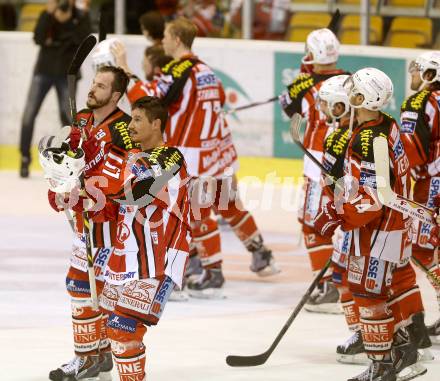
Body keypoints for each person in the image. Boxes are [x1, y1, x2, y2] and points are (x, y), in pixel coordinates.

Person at [314, 68, 426, 381]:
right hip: (394, 226)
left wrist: (338, 214)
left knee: (368, 293)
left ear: (365, 97)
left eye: (355, 88)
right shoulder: (386, 125)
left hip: (377, 232)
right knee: (387, 290)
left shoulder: (368, 138)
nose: (349, 90)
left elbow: (372, 198)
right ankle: (404, 352)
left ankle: (382, 367)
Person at [87, 96, 191, 380]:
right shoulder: (132, 157)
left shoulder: (171, 158)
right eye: (130, 118)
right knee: (111, 322)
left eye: (137, 120)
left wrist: (93, 186)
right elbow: (110, 206)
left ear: (156, 124)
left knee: (123, 326)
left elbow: (136, 192)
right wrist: (75, 191)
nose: (130, 125)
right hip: (129, 253)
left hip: (159, 257)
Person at [41, 65, 134, 381]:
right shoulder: (81, 118)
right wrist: (62, 172)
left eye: (101, 86)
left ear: (116, 95)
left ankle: (86, 359)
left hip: (111, 224)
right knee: (92, 289)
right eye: (93, 83)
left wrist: (79, 190)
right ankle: (101, 353)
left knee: (82, 284)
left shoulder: (123, 130)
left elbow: (113, 184)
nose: (92, 89)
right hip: (87, 220)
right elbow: (70, 160)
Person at [279, 28, 349, 313]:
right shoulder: (349, 79)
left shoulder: (304, 84)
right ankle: (338, 280)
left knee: (312, 222)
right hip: (345, 157)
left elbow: (288, 108)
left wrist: (302, 72)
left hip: (318, 159)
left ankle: (330, 285)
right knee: (343, 220)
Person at [19, 0, 91, 178]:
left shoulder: (80, 15)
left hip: (67, 73)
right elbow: (38, 38)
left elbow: (83, 41)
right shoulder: (48, 14)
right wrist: (49, 16)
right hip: (44, 70)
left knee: (68, 117)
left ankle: (70, 157)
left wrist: (66, 22)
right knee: (29, 113)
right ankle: (25, 158)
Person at [400, 51, 440, 345]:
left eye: (417, 70)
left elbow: (412, 151)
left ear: (429, 75)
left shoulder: (418, 102)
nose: (412, 75)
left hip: (432, 185)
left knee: (423, 249)